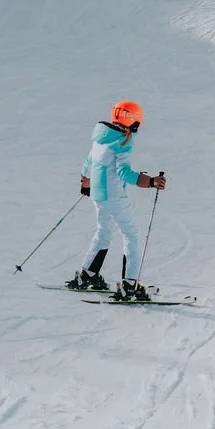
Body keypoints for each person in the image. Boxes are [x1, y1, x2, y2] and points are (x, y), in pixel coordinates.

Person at [68, 100, 166, 299]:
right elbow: (124, 173)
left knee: (103, 232)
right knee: (131, 235)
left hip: (98, 193)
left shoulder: (102, 135)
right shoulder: (122, 141)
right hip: (113, 195)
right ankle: (129, 285)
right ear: (134, 122)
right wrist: (151, 181)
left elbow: (89, 161)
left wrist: (86, 182)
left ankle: (87, 275)